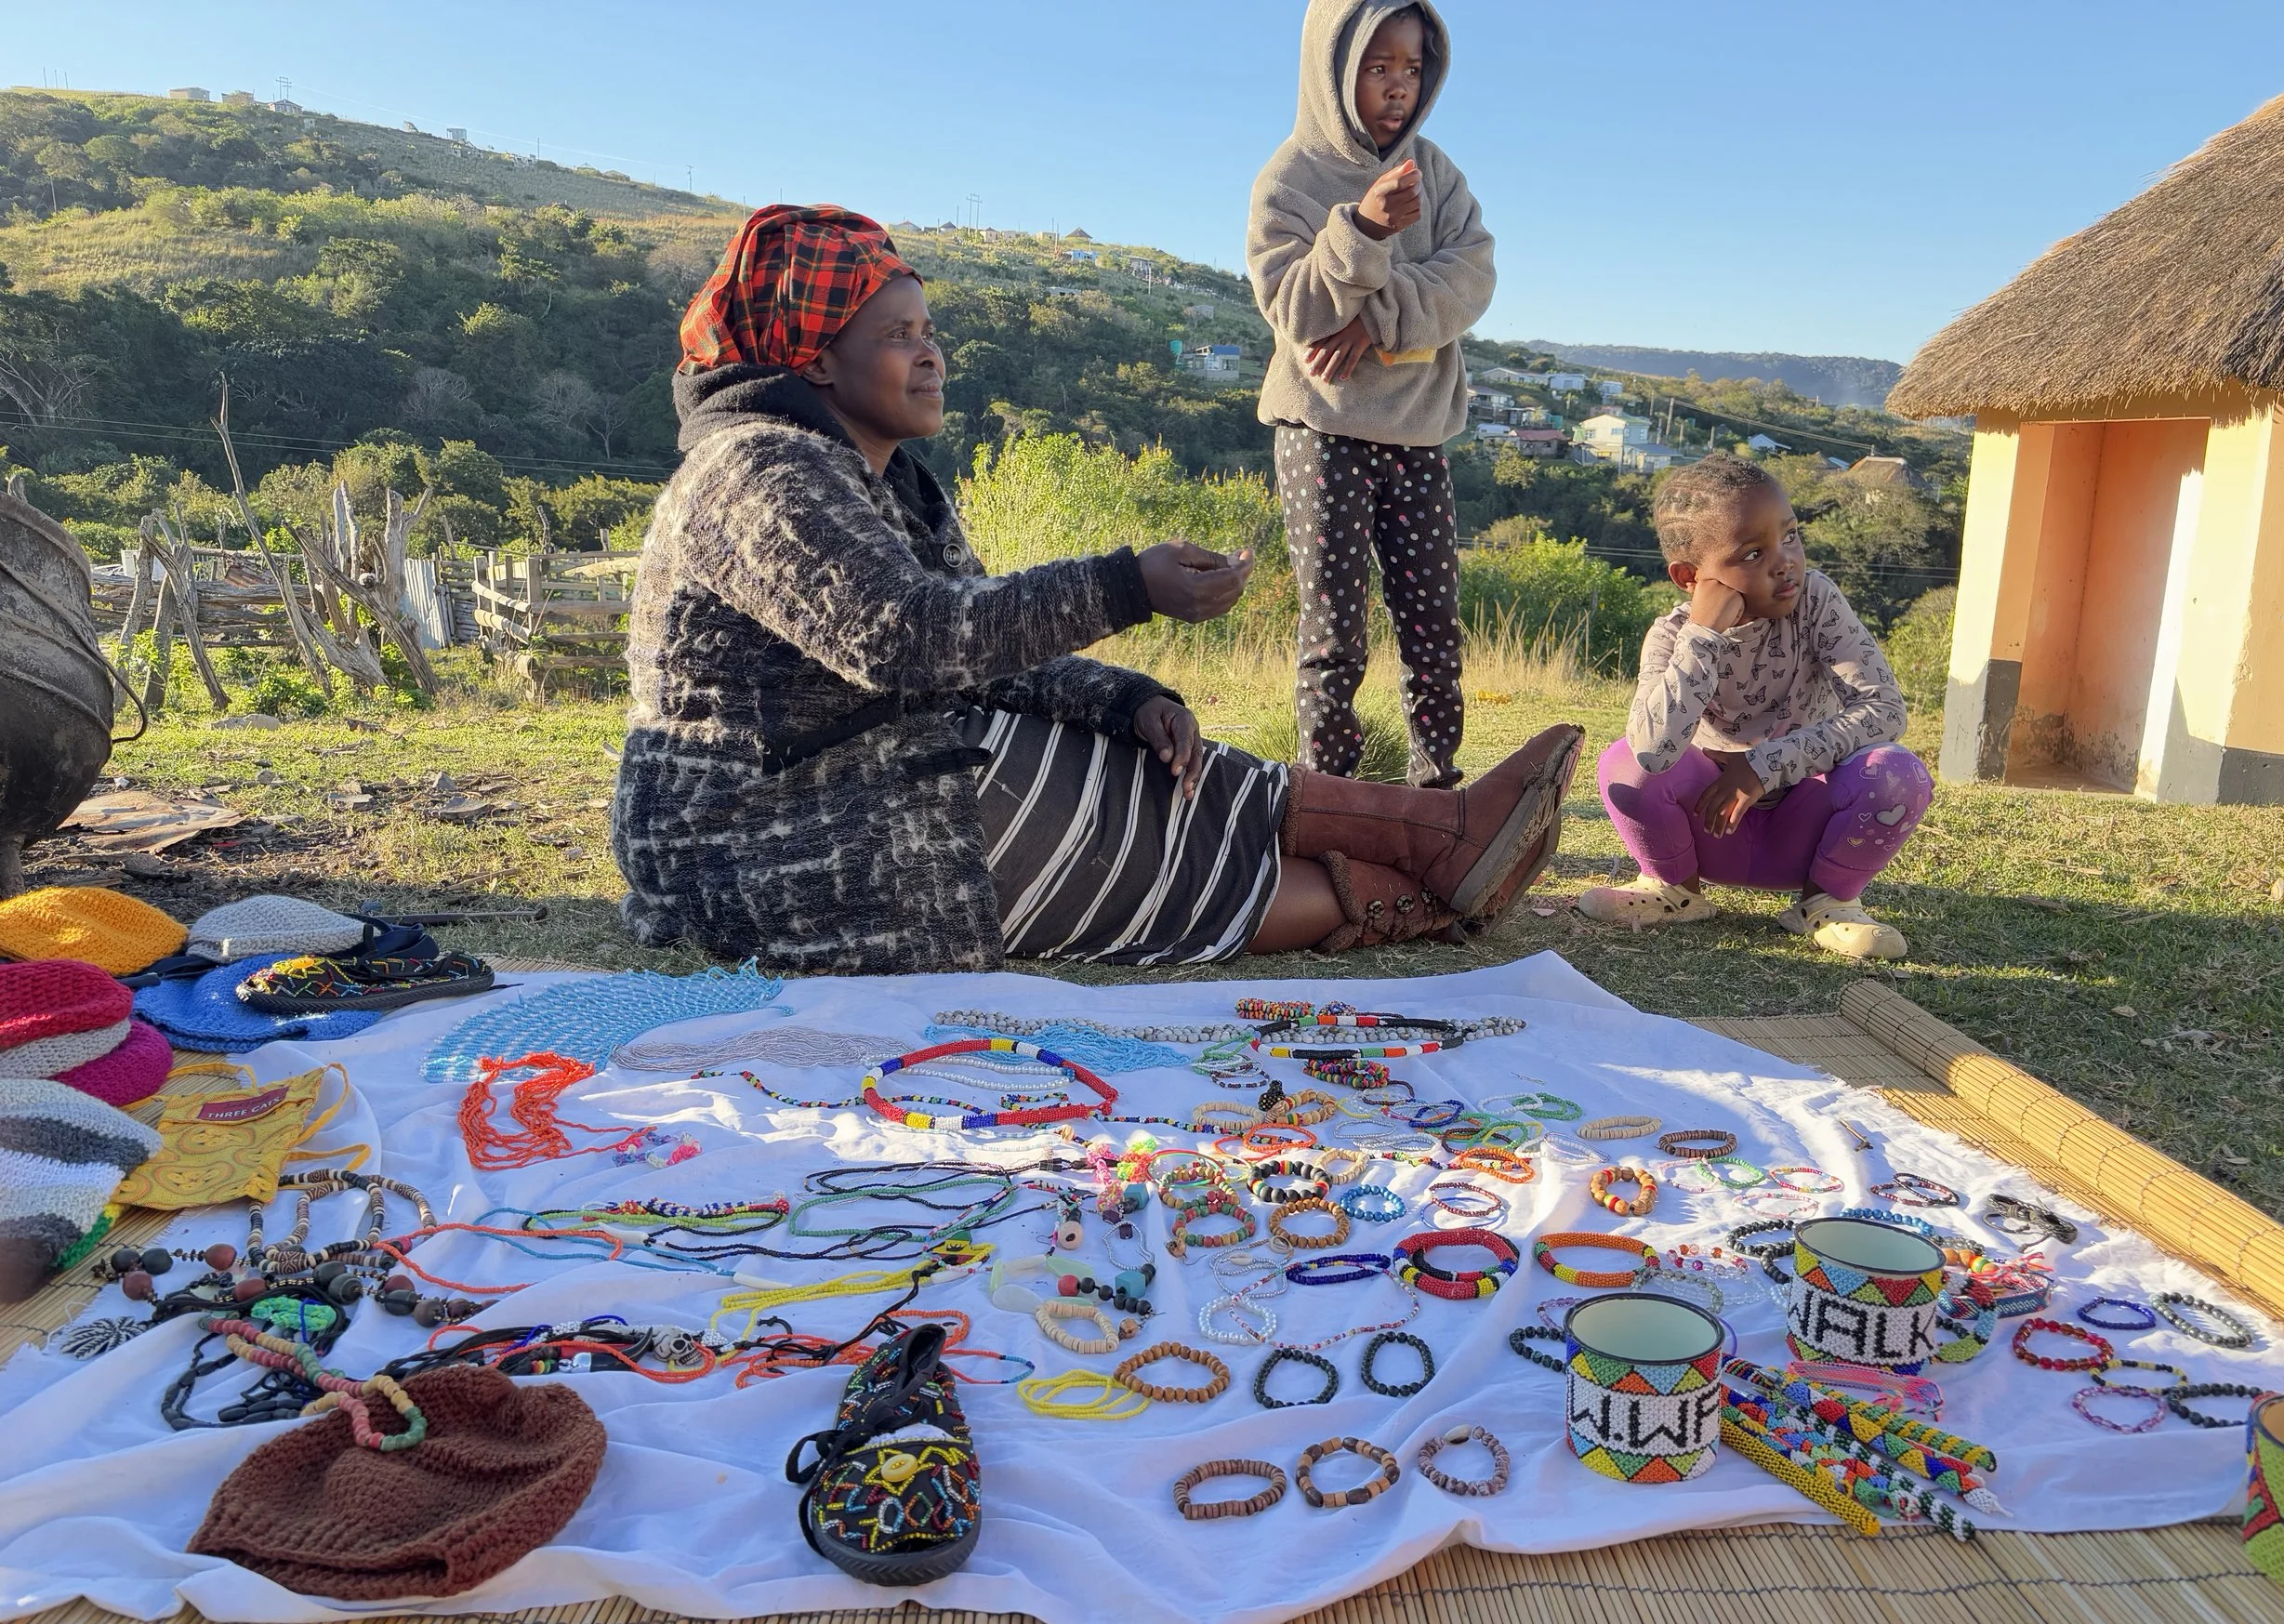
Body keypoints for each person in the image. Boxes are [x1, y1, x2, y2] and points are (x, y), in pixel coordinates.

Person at [613, 205, 1580, 977]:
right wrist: (1127, 585)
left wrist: (1125, 699)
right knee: (998, 776)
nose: (930, 354)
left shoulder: (882, 480)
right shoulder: (757, 471)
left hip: (853, 776)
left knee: (1118, 753)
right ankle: (1420, 882)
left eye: (929, 329)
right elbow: (910, 641)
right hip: (742, 837)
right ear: (816, 358)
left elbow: (982, 651)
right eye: (896, 334)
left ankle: (1437, 835)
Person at [1248, 0, 1494, 789]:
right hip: (1320, 430)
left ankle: (1436, 789)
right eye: (1376, 66)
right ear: (1333, 66)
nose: (1396, 87)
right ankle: (1330, 796)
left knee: (1433, 629)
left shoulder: (1438, 173)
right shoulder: (1290, 178)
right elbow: (1297, 311)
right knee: (1334, 633)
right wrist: (1359, 227)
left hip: (1420, 433)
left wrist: (1378, 325)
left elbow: (1472, 278)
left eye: (1411, 68)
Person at [1579, 455, 1932, 959]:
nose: (1784, 561)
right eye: (1751, 554)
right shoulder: (1673, 637)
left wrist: (1763, 766)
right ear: (1690, 576)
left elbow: (1885, 710)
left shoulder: (1817, 603)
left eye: (1790, 536)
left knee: (1898, 772)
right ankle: (1674, 890)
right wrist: (1704, 636)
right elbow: (1652, 755)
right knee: (1623, 765)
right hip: (1710, 829)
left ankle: (1826, 903)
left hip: (1806, 826)